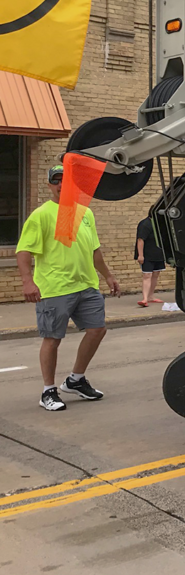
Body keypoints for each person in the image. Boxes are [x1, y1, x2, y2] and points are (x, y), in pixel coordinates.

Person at [16, 164, 120, 412]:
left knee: (97, 330)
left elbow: (94, 250)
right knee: (52, 339)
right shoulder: (41, 215)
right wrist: (28, 281)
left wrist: (108, 276)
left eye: (67, 180)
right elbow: (23, 250)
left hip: (86, 285)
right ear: (50, 185)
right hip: (55, 288)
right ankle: (48, 391)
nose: (62, 185)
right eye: (57, 180)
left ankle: (75, 380)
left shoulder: (85, 213)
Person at [135, 213, 165, 307]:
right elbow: (140, 240)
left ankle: (150, 296)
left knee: (155, 274)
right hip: (147, 255)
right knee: (147, 275)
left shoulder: (160, 224)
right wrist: (140, 255)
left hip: (158, 254)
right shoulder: (145, 224)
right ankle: (145, 299)